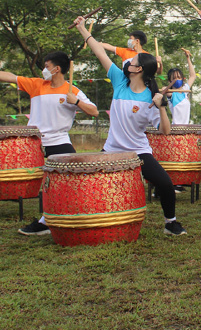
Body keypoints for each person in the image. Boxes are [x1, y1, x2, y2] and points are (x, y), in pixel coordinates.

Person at [74, 17, 186, 236]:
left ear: (139, 69)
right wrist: (81, 28)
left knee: (165, 183)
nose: (128, 62)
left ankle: (170, 223)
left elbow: (165, 131)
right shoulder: (119, 80)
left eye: (132, 61)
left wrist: (162, 106)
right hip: (112, 150)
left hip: (139, 152)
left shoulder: (151, 96)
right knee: (91, 185)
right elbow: (99, 51)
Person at [0, 51, 99, 235]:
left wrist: (76, 101)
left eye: (46, 66)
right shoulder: (36, 85)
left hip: (59, 141)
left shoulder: (72, 90)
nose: (44, 70)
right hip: (34, 143)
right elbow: (11, 77)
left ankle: (49, 221)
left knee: (68, 179)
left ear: (57, 69)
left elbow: (94, 112)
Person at [166, 49, 196, 125]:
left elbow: (192, 76)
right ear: (170, 81)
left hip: (186, 127)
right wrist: (165, 90)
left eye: (179, 77)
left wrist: (188, 58)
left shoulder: (185, 90)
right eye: (174, 78)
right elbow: (166, 91)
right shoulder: (171, 94)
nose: (177, 80)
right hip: (175, 128)